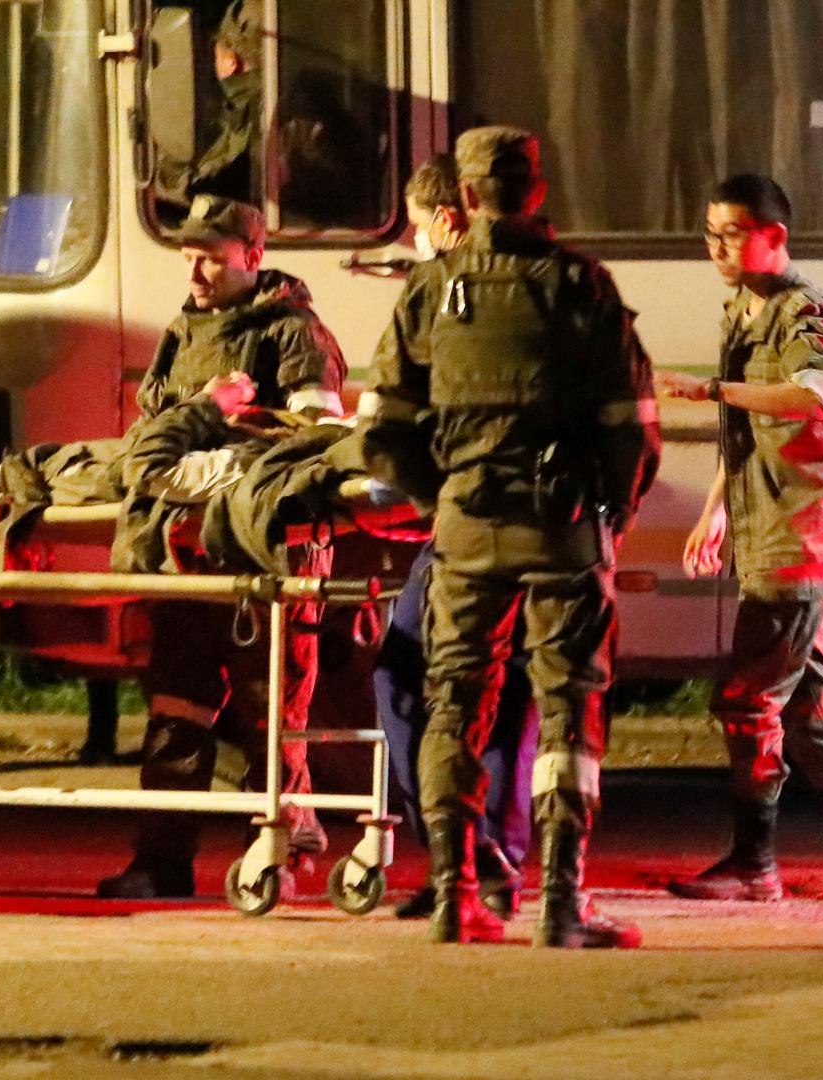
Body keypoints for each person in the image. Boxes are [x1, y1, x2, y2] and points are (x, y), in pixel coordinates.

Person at [362, 126, 660, 947]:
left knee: (454, 700)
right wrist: (612, 514)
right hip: (562, 527)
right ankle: (561, 904)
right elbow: (631, 425)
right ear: (536, 190)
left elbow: (382, 431)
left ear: (463, 197)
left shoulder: (430, 290)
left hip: (465, 528)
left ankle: (454, 898)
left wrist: (443, 498)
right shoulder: (581, 285)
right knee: (568, 710)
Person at [655, 174, 823, 907]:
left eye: (731, 233)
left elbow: (815, 396)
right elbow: (743, 431)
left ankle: (756, 864)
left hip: (801, 533)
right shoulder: (741, 310)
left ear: (774, 235)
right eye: (710, 233)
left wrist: (710, 389)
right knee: (804, 713)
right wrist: (716, 510)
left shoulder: (807, 312)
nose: (716, 247)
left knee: (748, 700)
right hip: (765, 530)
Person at [96, 194, 347, 899]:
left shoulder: (295, 333)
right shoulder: (182, 330)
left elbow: (316, 445)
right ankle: (161, 862)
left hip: (267, 553)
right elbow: (152, 427)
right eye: (188, 257)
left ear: (253, 256)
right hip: (186, 550)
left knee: (273, 714)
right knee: (176, 706)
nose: (196, 273)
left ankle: (277, 854)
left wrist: (223, 430)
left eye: (210, 258)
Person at [370, 154, 539, 922]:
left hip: (476, 523)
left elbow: (392, 419)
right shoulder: (563, 284)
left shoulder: (441, 292)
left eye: (415, 225)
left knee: (427, 682)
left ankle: (473, 860)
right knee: (477, 691)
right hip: (526, 523)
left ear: (447, 216)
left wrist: (419, 491)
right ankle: (470, 857)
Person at [154, 1, 262, 207]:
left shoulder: (238, 125)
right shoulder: (265, 108)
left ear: (231, 62)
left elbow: (185, 184)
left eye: (214, 50)